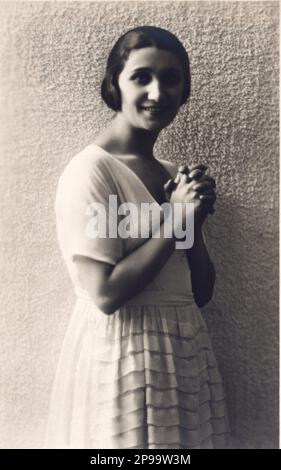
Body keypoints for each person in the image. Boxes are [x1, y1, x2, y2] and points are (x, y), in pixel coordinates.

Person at [45, 26, 231, 449]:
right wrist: (176, 215)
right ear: (116, 84)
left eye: (171, 78)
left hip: (184, 352)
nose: (157, 92)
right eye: (141, 77)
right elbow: (106, 294)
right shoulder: (91, 171)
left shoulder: (170, 174)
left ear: (185, 90)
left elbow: (200, 292)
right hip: (123, 355)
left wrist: (193, 223)